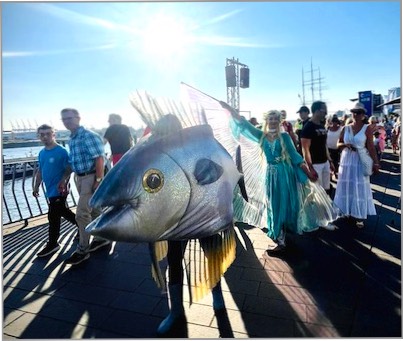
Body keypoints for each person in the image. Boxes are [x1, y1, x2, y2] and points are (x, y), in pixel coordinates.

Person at [222, 103, 339, 253]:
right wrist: (231, 110)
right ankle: (280, 235)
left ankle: (281, 239)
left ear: (278, 121)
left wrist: (308, 172)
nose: (272, 121)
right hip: (270, 175)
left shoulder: (284, 136)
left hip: (284, 175)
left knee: (283, 204)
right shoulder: (261, 136)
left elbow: (296, 157)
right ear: (266, 120)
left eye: (274, 119)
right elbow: (244, 126)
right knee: (273, 205)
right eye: (269, 118)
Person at [149, 114, 226, 337]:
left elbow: (218, 170)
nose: (163, 137)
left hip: (202, 213)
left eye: (166, 132)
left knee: (212, 253)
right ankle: (176, 311)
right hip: (175, 217)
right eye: (160, 133)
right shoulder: (156, 155)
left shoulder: (194, 148)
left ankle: (217, 295)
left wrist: (204, 176)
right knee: (174, 261)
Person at [58, 108, 110, 265]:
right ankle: (102, 238)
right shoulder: (72, 138)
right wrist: (65, 178)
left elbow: (99, 158)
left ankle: (83, 250)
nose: (67, 121)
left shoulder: (88, 135)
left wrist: (98, 180)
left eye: (69, 118)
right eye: (64, 119)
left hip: (91, 176)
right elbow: (74, 162)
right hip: (79, 178)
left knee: (81, 214)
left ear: (78, 118)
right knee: (94, 210)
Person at [33, 124, 78, 258]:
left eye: (48, 134)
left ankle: (53, 244)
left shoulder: (62, 151)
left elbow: (69, 168)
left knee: (53, 216)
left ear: (54, 135)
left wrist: (64, 182)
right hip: (50, 190)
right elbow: (40, 171)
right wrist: (36, 186)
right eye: (42, 134)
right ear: (39, 136)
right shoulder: (42, 153)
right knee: (63, 211)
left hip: (60, 189)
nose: (45, 137)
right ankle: (83, 227)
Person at [333, 102, 380, 228]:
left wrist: (375, 163)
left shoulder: (367, 129)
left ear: (363, 115)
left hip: (360, 159)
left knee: (359, 186)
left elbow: (371, 147)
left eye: (358, 112)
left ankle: (359, 215)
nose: (355, 114)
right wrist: (344, 145)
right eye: (354, 111)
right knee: (346, 184)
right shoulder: (345, 128)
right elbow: (338, 144)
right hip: (347, 159)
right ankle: (345, 210)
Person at [300, 101, 335, 202]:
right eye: (324, 110)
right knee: (316, 192)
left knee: (326, 190)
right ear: (316, 111)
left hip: (325, 163)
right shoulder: (308, 127)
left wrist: (330, 161)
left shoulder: (321, 125)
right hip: (315, 165)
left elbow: (324, 145)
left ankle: (325, 212)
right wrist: (310, 167)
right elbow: (305, 150)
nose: (326, 113)